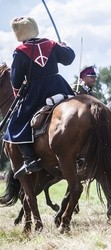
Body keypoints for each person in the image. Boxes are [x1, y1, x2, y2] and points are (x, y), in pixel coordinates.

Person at [4, 17, 75, 178]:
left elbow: (15, 80)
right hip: (59, 85)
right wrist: (65, 46)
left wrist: (18, 94)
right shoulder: (51, 44)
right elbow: (69, 59)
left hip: (36, 91)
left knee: (15, 124)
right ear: (34, 28)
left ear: (18, 33)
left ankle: (29, 159)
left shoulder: (20, 51)